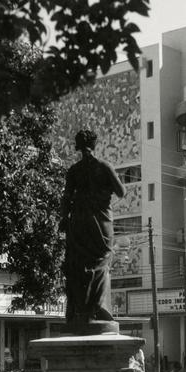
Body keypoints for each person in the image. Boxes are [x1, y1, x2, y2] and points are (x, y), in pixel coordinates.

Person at [59, 129, 126, 327]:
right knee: (102, 260)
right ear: (94, 145)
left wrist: (65, 218)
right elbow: (121, 192)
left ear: (78, 147)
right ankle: (95, 308)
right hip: (101, 220)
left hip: (78, 222)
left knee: (80, 264)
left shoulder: (74, 170)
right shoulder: (103, 166)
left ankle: (80, 309)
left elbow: (66, 198)